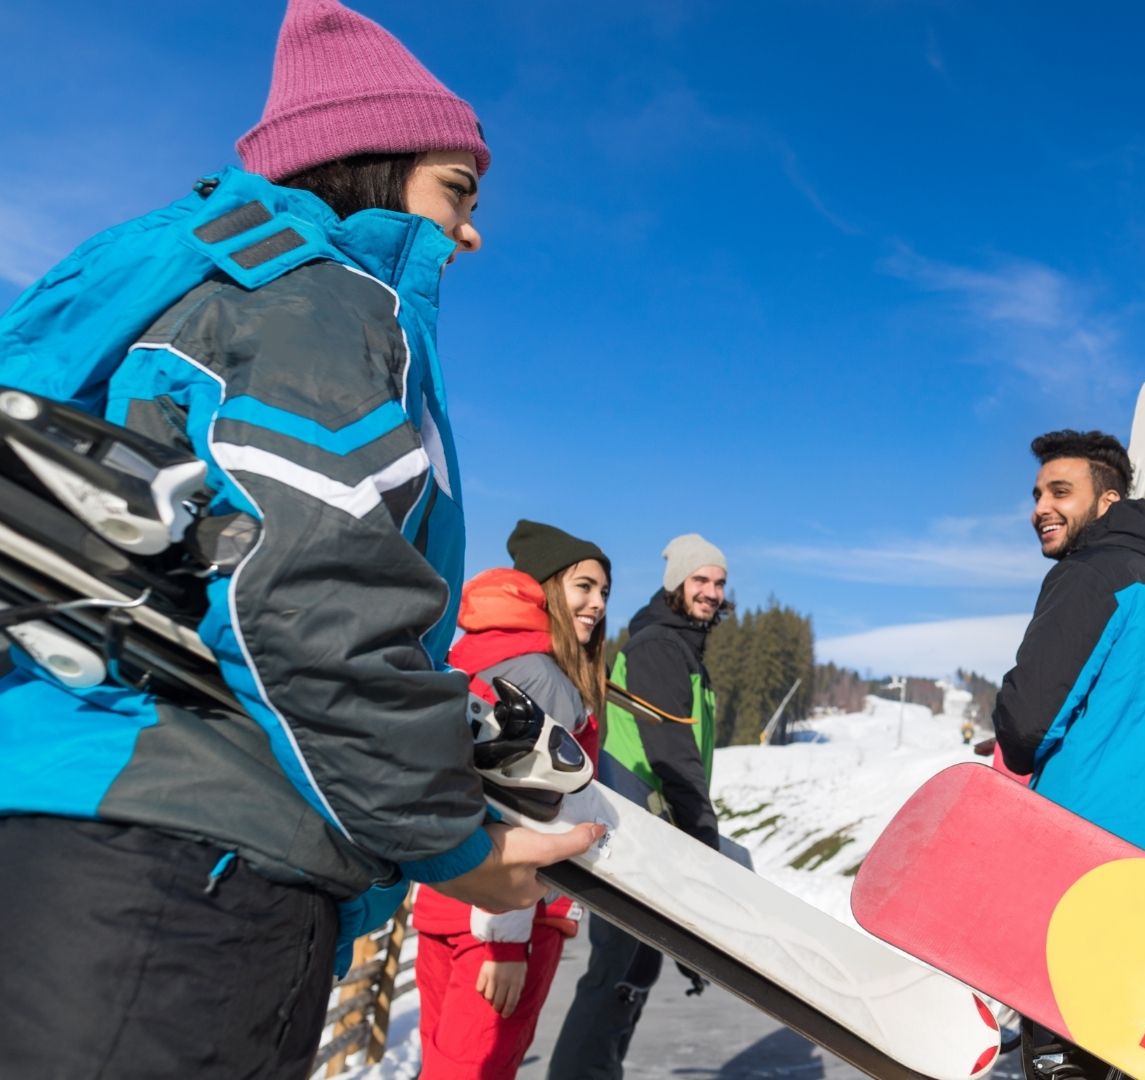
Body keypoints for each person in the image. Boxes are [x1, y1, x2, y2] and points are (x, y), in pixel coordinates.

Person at [0, 3, 597, 1076]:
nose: (472, 231)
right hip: (195, 872)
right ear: (369, 167)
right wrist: (456, 850)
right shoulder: (320, 304)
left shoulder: (209, 285)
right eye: (457, 191)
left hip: (83, 833)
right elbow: (309, 596)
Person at [412, 522, 613, 1080]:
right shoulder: (540, 677)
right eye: (584, 587)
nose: (597, 604)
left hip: (447, 896)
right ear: (547, 588)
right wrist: (505, 940)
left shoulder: (475, 652)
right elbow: (527, 810)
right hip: (504, 912)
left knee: (442, 1067)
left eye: (603, 592)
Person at [547, 534, 730, 1080]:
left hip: (650, 824)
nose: (712, 592)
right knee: (617, 965)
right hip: (630, 827)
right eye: (700, 580)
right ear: (677, 583)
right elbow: (673, 755)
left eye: (719, 583)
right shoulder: (658, 647)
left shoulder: (681, 647)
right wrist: (704, 845)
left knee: (635, 966)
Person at [991, 430, 1145, 857]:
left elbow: (1025, 726)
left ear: (1109, 502)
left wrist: (1008, 724)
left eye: (1061, 492)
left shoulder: (1090, 575)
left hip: (1075, 837)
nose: (1041, 509)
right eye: (1037, 496)